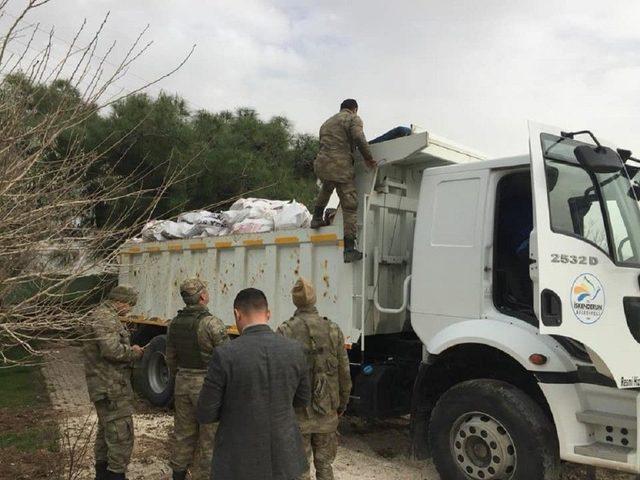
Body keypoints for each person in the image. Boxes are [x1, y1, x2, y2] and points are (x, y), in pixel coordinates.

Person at [196, 288, 311, 480]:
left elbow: (205, 412)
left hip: (238, 460)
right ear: (268, 314)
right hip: (284, 457)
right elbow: (302, 399)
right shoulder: (295, 350)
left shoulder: (225, 355)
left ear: (237, 314)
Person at [277, 278, 352, 480]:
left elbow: (279, 377)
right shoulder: (333, 329)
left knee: (299, 470)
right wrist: (342, 404)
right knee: (325, 466)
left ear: (295, 301)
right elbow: (344, 373)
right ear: (314, 299)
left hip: (297, 415)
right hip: (327, 412)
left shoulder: (285, 331)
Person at [166, 279, 229, 480]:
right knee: (210, 437)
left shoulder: (174, 323)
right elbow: (227, 358)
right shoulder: (212, 323)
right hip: (207, 386)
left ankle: (178, 475)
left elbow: (171, 359)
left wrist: (181, 374)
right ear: (202, 296)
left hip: (182, 382)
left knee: (183, 434)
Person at [82, 285, 144, 480]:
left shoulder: (102, 315)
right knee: (120, 438)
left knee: (106, 435)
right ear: (119, 302)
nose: (129, 310)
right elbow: (111, 351)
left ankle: (102, 476)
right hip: (111, 388)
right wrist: (133, 352)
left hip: (108, 387)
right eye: (129, 305)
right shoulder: (105, 318)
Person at [311, 98, 377, 263]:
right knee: (350, 206)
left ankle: (316, 217)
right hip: (340, 165)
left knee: (327, 187)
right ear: (355, 109)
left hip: (322, 163)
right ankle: (349, 249)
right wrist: (368, 158)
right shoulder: (353, 118)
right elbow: (359, 137)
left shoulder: (327, 122)